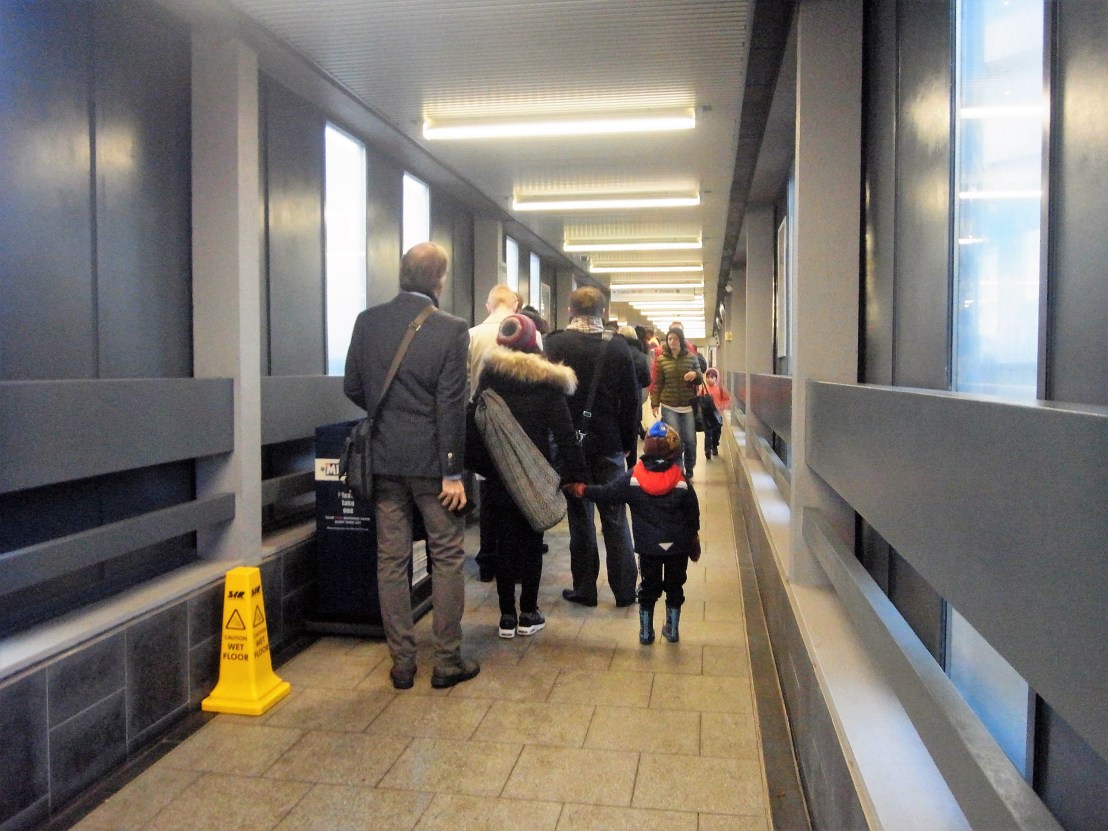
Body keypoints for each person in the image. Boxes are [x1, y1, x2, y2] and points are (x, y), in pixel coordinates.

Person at [343, 242, 479, 691]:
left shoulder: (367, 321)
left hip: (383, 461)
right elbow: (451, 404)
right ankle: (446, 661)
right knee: (447, 556)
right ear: (439, 279)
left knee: (391, 560)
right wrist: (453, 472)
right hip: (434, 465)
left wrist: (389, 419)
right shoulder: (451, 328)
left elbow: (353, 386)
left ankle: (402, 664)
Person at [466, 314, 586, 638]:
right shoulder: (547, 381)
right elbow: (565, 434)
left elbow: (473, 425)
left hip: (499, 476)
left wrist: (486, 468)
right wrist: (575, 475)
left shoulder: (489, 378)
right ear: (534, 343)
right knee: (532, 544)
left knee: (504, 543)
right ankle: (529, 613)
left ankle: (506, 616)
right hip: (536, 475)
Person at [544, 286, 640, 608]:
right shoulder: (618, 347)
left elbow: (548, 396)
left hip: (570, 445)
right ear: (603, 311)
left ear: (570, 310)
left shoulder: (555, 344)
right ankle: (625, 590)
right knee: (615, 517)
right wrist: (627, 444)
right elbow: (631, 401)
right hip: (610, 442)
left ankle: (585, 589)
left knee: (580, 519)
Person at [570, 421, 700, 645]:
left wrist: (584, 490)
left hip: (649, 548)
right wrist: (693, 538)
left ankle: (646, 632)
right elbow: (692, 512)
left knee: (648, 588)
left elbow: (608, 493)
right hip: (677, 547)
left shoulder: (634, 478)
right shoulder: (680, 480)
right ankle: (672, 629)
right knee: (675, 587)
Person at [468, 284, 521, 582]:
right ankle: (514, 562)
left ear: (488, 306)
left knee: (487, 495)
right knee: (517, 492)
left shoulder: (472, 335)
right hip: (518, 424)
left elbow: (465, 383)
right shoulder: (528, 333)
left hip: (483, 422)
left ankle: (487, 561)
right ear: (515, 306)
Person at [650, 327, 705, 479]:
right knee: (675, 440)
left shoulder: (691, 357)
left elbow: (700, 377)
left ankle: (690, 466)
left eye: (675, 338)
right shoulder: (662, 360)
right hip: (669, 405)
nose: (672, 341)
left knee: (690, 440)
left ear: (680, 340)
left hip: (688, 405)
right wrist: (654, 403)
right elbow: (658, 383)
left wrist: (695, 374)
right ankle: (678, 469)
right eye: (669, 339)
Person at [702, 367, 731, 459]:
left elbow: (727, 399)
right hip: (707, 415)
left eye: (712, 377)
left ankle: (714, 445)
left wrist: (721, 406)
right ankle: (707, 450)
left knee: (716, 432)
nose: (709, 379)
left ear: (716, 378)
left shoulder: (720, 389)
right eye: (708, 377)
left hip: (717, 415)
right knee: (707, 433)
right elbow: (699, 399)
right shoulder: (703, 389)